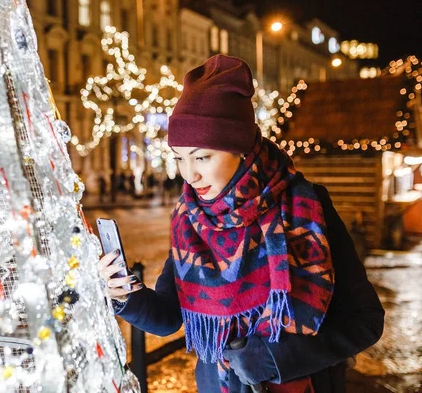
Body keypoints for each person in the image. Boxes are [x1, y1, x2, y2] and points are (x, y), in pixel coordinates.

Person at [98, 55, 384, 393]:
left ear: (242, 149)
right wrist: (125, 296)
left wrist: (278, 358)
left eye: (202, 157)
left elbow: (365, 320)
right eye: (179, 158)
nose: (189, 174)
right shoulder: (190, 219)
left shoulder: (305, 206)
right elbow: (167, 317)